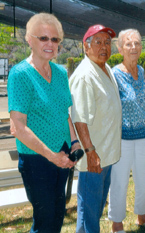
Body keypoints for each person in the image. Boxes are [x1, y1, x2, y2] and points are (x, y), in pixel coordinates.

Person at [8, 13, 80, 232]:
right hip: (37, 159)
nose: (50, 44)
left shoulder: (59, 72)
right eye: (43, 38)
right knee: (45, 219)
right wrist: (52, 156)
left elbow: (64, 113)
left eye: (55, 39)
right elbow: (17, 127)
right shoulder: (20, 74)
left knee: (58, 213)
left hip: (63, 152)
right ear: (29, 40)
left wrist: (75, 142)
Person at [69, 24, 122, 232]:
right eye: (98, 42)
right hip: (94, 156)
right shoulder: (84, 76)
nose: (104, 47)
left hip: (106, 154)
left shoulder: (105, 67)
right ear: (86, 46)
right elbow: (79, 119)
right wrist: (90, 152)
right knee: (89, 211)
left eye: (107, 43)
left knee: (95, 207)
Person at [107, 29, 145, 232]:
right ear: (120, 48)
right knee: (119, 182)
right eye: (128, 44)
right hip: (122, 139)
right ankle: (117, 224)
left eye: (137, 43)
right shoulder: (114, 73)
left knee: (144, 179)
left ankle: (142, 216)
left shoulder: (140, 71)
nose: (134, 47)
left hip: (143, 136)